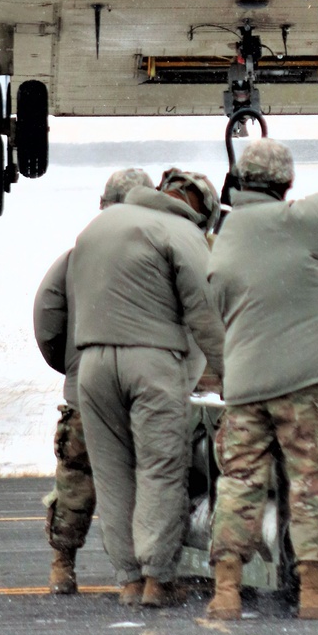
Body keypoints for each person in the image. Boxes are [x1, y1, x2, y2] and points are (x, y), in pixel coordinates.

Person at [205, 126, 318, 621]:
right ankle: (316, 592)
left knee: (238, 482)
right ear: (284, 184)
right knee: (311, 483)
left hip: (244, 388)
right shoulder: (297, 222)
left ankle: (227, 591)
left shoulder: (226, 234)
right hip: (302, 383)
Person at [74, 167, 224, 608]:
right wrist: (233, 378)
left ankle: (127, 580)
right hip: (152, 361)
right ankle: (157, 579)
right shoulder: (180, 232)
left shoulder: (98, 227)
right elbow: (204, 315)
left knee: (112, 475)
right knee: (160, 469)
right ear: (202, 211)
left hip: (93, 365)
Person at [33, 167, 155, 595]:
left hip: (85, 385)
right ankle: (148, 571)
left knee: (75, 479)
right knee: (147, 478)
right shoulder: (159, 251)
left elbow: (47, 319)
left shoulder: (76, 256)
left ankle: (62, 565)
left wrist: (70, 365)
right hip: (144, 386)